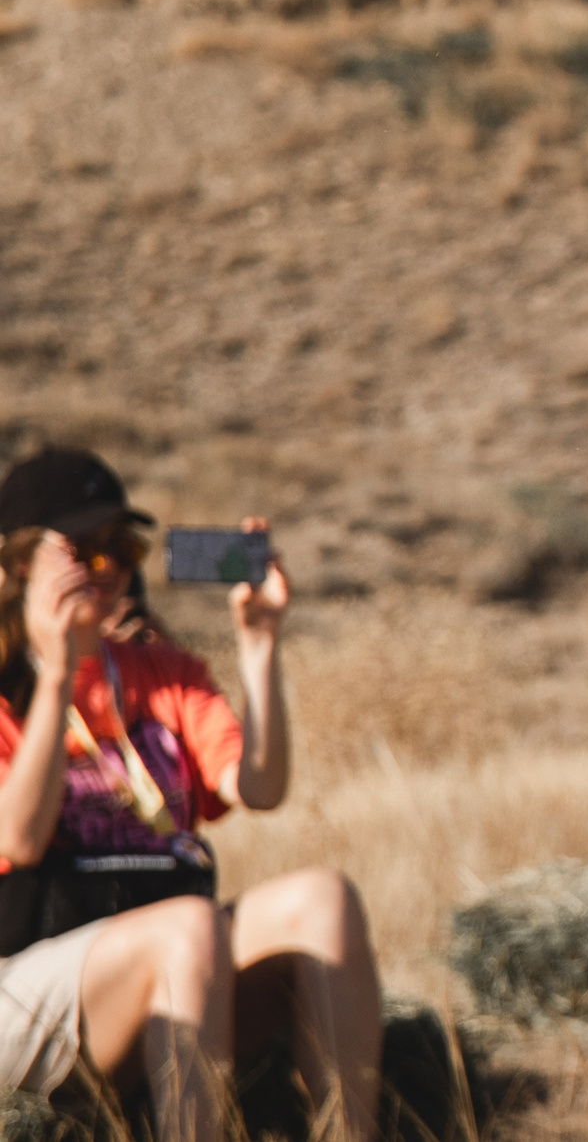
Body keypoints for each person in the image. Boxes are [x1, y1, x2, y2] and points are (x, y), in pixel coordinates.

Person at [0, 449, 380, 1141]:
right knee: (191, 926)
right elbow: (17, 840)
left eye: (124, 546)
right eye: (86, 549)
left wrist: (260, 643)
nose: (110, 567)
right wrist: (56, 674)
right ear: (19, 562)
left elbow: (258, 786)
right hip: (27, 980)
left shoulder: (161, 670)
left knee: (324, 899)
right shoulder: (9, 685)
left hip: (177, 955)